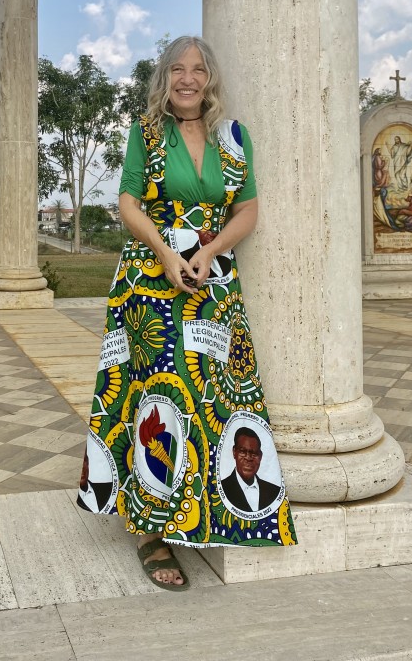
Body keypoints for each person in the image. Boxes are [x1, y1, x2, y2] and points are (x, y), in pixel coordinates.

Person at [77, 36, 296, 591]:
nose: (188, 78)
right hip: (151, 281)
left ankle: (211, 510)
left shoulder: (232, 138)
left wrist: (208, 252)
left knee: (216, 396)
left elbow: (246, 208)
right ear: (164, 79)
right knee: (154, 399)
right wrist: (167, 253)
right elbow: (128, 201)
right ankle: (151, 532)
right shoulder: (145, 132)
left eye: (198, 70)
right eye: (178, 69)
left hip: (212, 279)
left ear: (210, 79)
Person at [220, 427, 281, 513]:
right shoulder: (221, 489)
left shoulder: (274, 492)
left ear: (260, 456)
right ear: (234, 452)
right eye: (242, 451)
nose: (248, 458)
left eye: (254, 453)